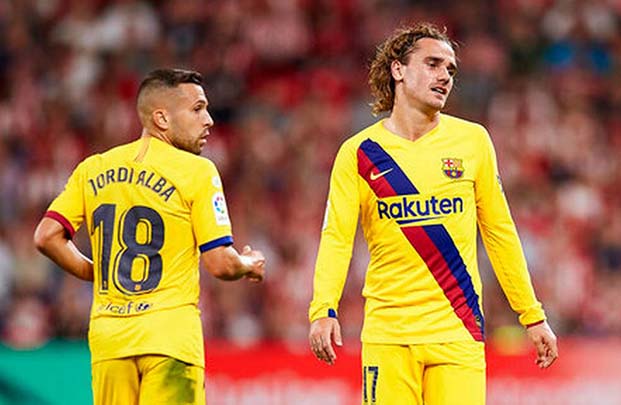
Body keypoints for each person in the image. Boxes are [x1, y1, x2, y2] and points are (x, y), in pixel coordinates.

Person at [308, 23, 558, 404]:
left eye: (451, 69)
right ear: (398, 70)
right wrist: (323, 308)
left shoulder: (472, 141)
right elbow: (337, 237)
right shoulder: (359, 152)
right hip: (389, 335)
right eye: (433, 64)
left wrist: (532, 315)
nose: (444, 75)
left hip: (457, 333)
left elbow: (499, 233)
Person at [33, 68, 265, 405]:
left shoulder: (94, 167)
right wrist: (248, 263)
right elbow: (220, 264)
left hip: (109, 341)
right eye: (197, 109)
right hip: (169, 341)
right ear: (162, 119)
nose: (210, 120)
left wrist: (96, 272)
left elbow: (46, 236)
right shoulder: (197, 172)